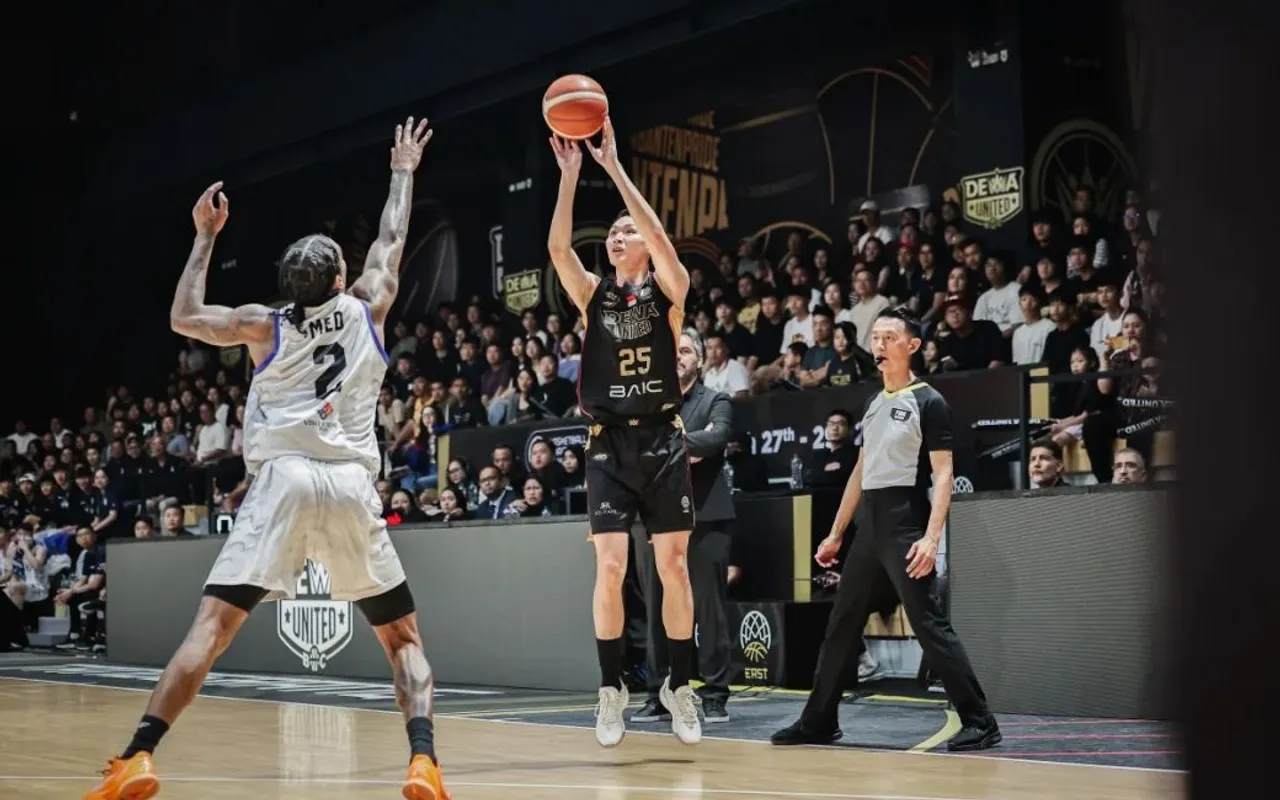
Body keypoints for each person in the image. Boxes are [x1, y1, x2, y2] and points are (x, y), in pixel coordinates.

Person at [83, 118, 453, 800]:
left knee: (212, 629)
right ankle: (423, 762)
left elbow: (185, 316)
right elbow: (392, 237)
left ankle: (138, 756)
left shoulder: (264, 324)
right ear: (340, 276)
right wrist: (402, 171)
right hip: (350, 483)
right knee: (403, 639)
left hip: (282, 480)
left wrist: (204, 236)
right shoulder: (369, 306)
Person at [771, 307, 1001, 752]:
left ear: (912, 345)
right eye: (875, 336)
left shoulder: (929, 401)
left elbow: (943, 474)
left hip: (904, 521)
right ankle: (818, 721)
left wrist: (931, 538)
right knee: (841, 623)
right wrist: (836, 532)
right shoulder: (874, 403)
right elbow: (861, 471)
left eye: (889, 336)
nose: (879, 344)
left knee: (928, 623)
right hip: (869, 526)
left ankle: (980, 721)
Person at [548, 119, 700, 747]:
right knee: (610, 567)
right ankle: (612, 690)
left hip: (662, 439)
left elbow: (659, 236)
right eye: (611, 232)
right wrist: (570, 177)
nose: (616, 237)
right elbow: (560, 251)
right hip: (609, 443)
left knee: (674, 566)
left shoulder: (670, 289)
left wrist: (613, 167)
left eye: (625, 230)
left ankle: (680, 686)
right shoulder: (593, 295)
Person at [634, 330, 736, 725]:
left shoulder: (716, 401)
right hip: (657, 519)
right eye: (671, 350)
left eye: (685, 350)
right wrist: (685, 446)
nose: (677, 356)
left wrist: (664, 445)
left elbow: (717, 438)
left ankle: (714, 694)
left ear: (700, 359)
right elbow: (634, 450)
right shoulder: (648, 403)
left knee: (708, 609)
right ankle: (660, 694)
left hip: (705, 516)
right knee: (658, 608)